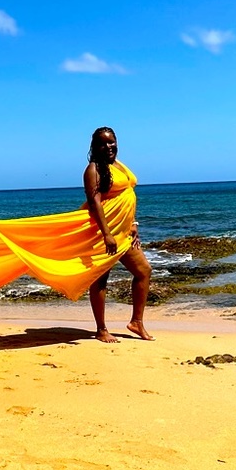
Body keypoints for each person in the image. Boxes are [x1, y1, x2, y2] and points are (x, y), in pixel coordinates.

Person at [83, 126, 153, 343]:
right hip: (105, 234)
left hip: (124, 232)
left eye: (111, 142)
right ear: (95, 146)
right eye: (103, 143)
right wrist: (107, 234)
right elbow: (95, 203)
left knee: (144, 271)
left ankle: (136, 322)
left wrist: (133, 224)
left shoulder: (118, 166)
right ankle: (101, 329)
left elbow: (125, 196)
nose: (108, 146)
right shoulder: (94, 169)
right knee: (101, 280)